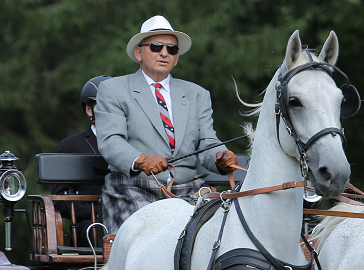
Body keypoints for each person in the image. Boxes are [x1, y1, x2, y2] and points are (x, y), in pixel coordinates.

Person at [95, 15, 238, 234]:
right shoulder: (113, 89)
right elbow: (110, 140)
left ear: (177, 57)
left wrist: (221, 157)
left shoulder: (198, 94)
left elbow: (207, 142)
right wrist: (141, 160)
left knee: (225, 232)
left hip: (191, 191)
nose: (164, 53)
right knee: (156, 235)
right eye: (156, 46)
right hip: (133, 189)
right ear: (138, 53)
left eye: (172, 49)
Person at [51, 75, 111, 245]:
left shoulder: (134, 144)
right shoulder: (71, 145)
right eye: (103, 106)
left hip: (128, 214)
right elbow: (60, 199)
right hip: (91, 223)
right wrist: (99, 211)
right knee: (102, 231)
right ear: (89, 110)